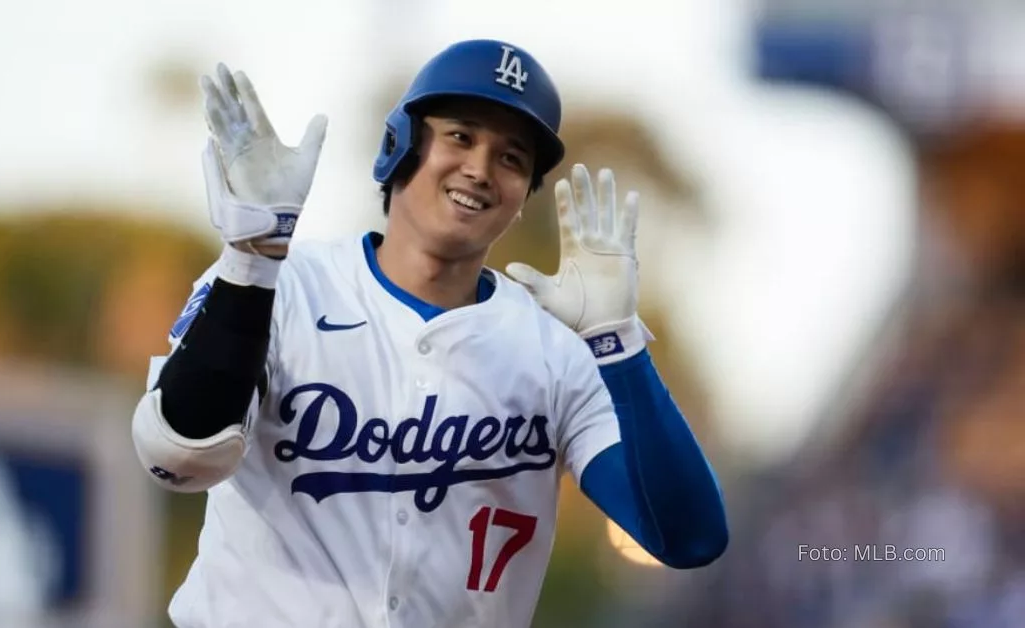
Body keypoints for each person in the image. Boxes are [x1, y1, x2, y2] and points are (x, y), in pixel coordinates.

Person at [131, 38, 728, 628]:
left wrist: (617, 344)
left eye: (512, 158)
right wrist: (252, 259)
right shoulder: (281, 286)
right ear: (400, 147)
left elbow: (689, 538)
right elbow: (179, 455)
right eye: (461, 136)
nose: (480, 169)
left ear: (523, 197)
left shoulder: (554, 351)